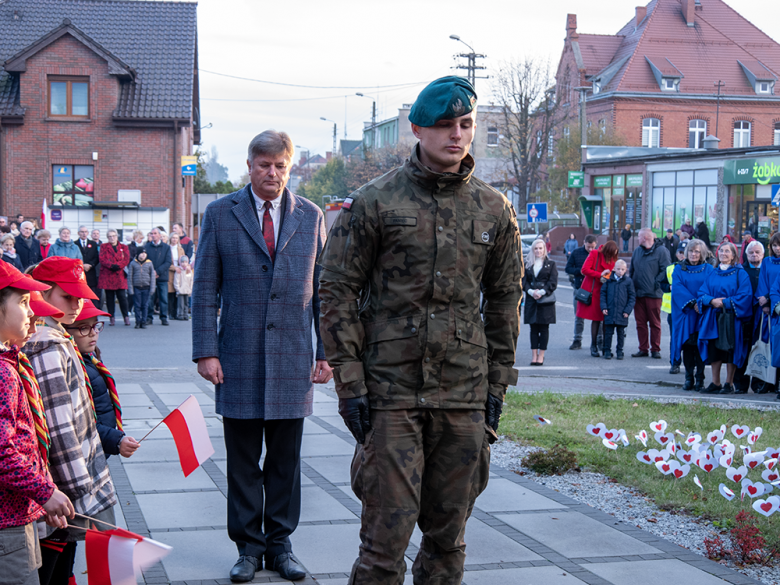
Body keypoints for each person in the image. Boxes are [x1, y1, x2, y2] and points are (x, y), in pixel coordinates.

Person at [319, 77, 522, 585]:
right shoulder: (373, 202)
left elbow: (504, 301)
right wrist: (350, 384)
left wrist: (496, 385)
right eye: (444, 125)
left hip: (463, 392)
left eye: (466, 124)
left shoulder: (494, 209)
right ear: (417, 129)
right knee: (383, 546)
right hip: (390, 394)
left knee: (447, 542)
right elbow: (336, 291)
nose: (457, 135)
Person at [193, 130, 332, 583]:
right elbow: (203, 289)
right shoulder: (219, 213)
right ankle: (248, 549)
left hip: (293, 358)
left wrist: (327, 352)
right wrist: (206, 352)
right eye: (263, 165)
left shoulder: (310, 216)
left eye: (280, 166)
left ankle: (280, 545)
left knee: (285, 463)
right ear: (249, 165)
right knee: (243, 462)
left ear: (289, 167)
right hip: (237, 359)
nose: (271, 173)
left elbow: (324, 294)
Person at [25, 257, 116, 585]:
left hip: (63, 477)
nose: (77, 305)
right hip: (64, 481)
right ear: (44, 293)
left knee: (58, 550)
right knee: (54, 553)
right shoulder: (48, 345)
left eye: (80, 297)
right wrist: (80, 488)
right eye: (68, 297)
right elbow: (60, 426)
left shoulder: (56, 336)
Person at [0, 262, 75, 585]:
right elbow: (3, 451)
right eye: (22, 302)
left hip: (19, 510)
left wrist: (40, 495)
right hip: (7, 522)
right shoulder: (2, 373)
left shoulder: (9, 363)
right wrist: (45, 492)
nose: (31, 313)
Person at [69, 303, 140, 458]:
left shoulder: (90, 357)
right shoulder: (74, 367)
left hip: (99, 445)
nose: (93, 333)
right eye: (84, 328)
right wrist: (116, 440)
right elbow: (80, 423)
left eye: (96, 326)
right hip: (86, 450)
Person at [697, 241, 753, 394]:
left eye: (727, 251)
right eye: (721, 251)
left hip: (731, 318)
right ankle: (716, 382)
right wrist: (711, 301)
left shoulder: (740, 274)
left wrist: (725, 303)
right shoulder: (712, 273)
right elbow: (702, 292)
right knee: (714, 349)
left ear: (734, 255)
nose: (723, 253)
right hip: (713, 318)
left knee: (730, 350)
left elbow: (745, 295)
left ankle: (729, 383)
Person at [671, 239, 714, 392]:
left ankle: (700, 379)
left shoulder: (709, 269)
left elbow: (710, 287)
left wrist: (700, 302)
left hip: (703, 313)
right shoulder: (678, 269)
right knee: (688, 346)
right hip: (687, 313)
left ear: (702, 253)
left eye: (697, 251)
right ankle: (688, 378)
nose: (694, 254)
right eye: (691, 251)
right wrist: (692, 303)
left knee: (700, 345)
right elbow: (677, 288)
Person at [630, 228, 671, 358]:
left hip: (654, 293)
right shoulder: (637, 251)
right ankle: (643, 348)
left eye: (639, 236)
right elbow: (632, 270)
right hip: (638, 293)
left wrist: (656, 283)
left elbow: (666, 269)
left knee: (655, 323)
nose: (637, 239)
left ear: (646, 238)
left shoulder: (661, 251)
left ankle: (655, 349)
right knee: (640, 323)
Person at [734, 240, 767, 394]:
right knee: (743, 349)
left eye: (757, 252)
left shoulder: (767, 270)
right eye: (751, 253)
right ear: (746, 255)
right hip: (744, 315)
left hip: (762, 314)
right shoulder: (741, 271)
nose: (754, 255)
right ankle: (740, 384)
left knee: (761, 349)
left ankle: (760, 383)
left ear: (763, 254)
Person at [577, 240, 618, 357]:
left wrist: (611, 275)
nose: (612, 257)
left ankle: (605, 347)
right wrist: (600, 274)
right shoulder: (595, 254)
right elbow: (584, 270)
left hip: (606, 291)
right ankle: (593, 345)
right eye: (610, 254)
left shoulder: (613, 258)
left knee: (606, 319)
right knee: (596, 319)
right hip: (594, 290)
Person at [523, 239, 557, 366]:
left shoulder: (551, 264)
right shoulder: (527, 264)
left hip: (545, 300)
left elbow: (553, 282)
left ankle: (541, 356)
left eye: (540, 248)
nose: (538, 250)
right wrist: (531, 292)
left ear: (545, 249)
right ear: (533, 250)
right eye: (536, 248)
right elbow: (523, 281)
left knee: (543, 328)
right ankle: (534, 355)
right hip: (531, 299)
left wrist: (541, 292)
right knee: (533, 328)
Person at [565, 234, 598, 350]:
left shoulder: (598, 254)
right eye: (588, 246)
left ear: (596, 244)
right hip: (580, 288)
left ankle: (599, 341)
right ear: (584, 242)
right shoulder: (576, 252)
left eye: (593, 247)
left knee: (598, 317)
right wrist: (580, 271)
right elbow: (567, 268)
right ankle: (577, 340)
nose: (590, 249)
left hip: (595, 288)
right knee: (579, 316)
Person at [600, 258, 636, 359]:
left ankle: (620, 351)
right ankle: (607, 350)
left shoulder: (628, 281)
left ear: (626, 270)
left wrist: (627, 311)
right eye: (618, 269)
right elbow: (603, 294)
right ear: (614, 269)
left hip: (622, 313)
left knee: (621, 333)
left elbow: (632, 297)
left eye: (622, 269)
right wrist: (604, 307)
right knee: (608, 333)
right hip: (610, 311)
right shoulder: (608, 280)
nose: (620, 271)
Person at [98, 229, 131, 326]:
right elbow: (102, 259)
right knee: (109, 298)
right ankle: (111, 317)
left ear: (117, 236)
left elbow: (126, 259)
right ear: (107, 237)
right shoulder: (103, 246)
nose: (112, 238)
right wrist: (111, 265)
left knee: (122, 297)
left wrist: (118, 265)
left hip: (120, 275)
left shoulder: (124, 247)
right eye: (109, 236)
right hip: (108, 275)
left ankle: (126, 317)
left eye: (113, 236)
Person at [144, 228, 172, 326]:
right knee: (150, 298)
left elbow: (168, 262)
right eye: (151, 233)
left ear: (160, 235)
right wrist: (152, 272)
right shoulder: (146, 246)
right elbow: (144, 260)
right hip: (150, 277)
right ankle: (149, 317)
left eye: (155, 233)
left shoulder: (166, 247)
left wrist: (158, 271)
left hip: (162, 277)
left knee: (163, 298)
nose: (153, 235)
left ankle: (164, 317)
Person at [128, 249, 156, 329]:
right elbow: (130, 277)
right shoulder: (133, 263)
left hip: (146, 288)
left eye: (145, 253)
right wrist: (131, 289)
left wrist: (152, 288)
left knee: (145, 305)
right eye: (141, 253)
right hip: (136, 288)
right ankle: (138, 321)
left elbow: (152, 277)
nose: (143, 255)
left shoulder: (149, 263)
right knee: (137, 306)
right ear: (138, 254)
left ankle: (143, 321)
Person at [75, 226, 100, 304]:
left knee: (91, 294)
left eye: (85, 232)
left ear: (88, 233)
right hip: (79, 272)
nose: (84, 233)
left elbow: (96, 257)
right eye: (82, 232)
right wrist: (82, 265)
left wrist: (91, 265)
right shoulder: (75, 244)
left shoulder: (93, 244)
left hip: (91, 271)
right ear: (78, 233)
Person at [168, 233, 185, 321]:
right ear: (170, 239)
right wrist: (174, 268)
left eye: (176, 238)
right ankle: (171, 313)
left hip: (179, 273)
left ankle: (177, 313)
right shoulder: (167, 248)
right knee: (170, 293)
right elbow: (167, 262)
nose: (174, 239)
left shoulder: (180, 249)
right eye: (173, 238)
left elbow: (184, 260)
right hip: (170, 272)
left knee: (177, 294)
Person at [173, 255, 193, 320]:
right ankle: (180, 315)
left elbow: (191, 280)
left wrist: (190, 289)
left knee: (186, 303)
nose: (184, 263)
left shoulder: (189, 271)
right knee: (180, 304)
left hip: (187, 290)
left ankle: (185, 314)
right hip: (180, 291)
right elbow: (176, 280)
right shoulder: (179, 271)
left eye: (185, 262)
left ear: (187, 262)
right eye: (182, 262)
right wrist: (178, 289)